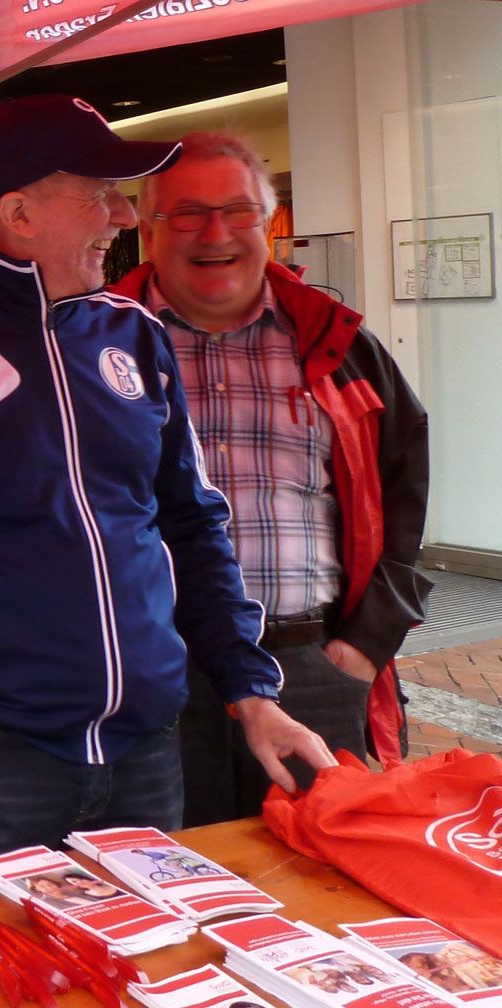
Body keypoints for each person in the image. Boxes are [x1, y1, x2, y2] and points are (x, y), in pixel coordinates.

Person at [0, 94, 332, 880]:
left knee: (134, 981)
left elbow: (192, 525)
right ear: (19, 213)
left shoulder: (134, 333)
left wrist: (251, 689)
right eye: (101, 193)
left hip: (146, 753)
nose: (124, 215)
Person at [114, 131, 430, 823]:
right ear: (147, 227)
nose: (216, 232)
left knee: (324, 886)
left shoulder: (341, 347)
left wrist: (361, 649)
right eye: (188, 212)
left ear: (269, 222)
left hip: (312, 670)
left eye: (239, 211)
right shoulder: (94, 350)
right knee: (170, 884)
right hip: (155, 678)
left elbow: (404, 503)